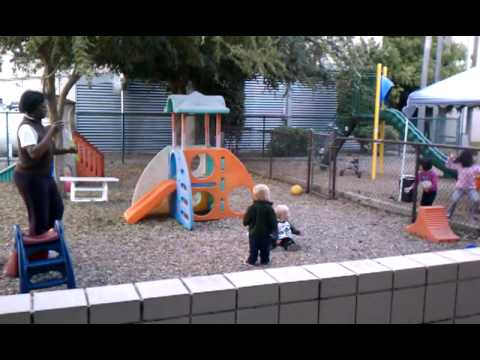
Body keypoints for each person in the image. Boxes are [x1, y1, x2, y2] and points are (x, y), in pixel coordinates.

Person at [3, 90, 77, 277]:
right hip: (30, 178)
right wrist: (51, 132)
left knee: (56, 209)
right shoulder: (26, 127)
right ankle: (33, 262)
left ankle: (41, 247)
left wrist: (64, 148)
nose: (45, 109)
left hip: (43, 177)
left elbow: (45, 149)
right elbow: (34, 153)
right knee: (38, 218)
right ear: (32, 109)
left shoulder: (38, 125)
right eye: (42, 106)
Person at [243, 184, 277, 266]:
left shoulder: (252, 207)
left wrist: (246, 222)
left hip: (253, 234)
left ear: (255, 196)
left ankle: (251, 260)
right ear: (267, 196)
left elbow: (246, 221)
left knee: (253, 249)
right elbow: (273, 222)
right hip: (266, 234)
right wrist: (274, 231)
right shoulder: (270, 208)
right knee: (265, 248)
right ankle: (265, 260)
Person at [445, 150, 480, 220]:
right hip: (460, 187)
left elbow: (479, 169)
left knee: (476, 200)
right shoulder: (459, 165)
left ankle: (473, 215)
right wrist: (450, 158)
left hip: (471, 188)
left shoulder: (474, 166)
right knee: (454, 200)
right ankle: (449, 214)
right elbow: (448, 165)